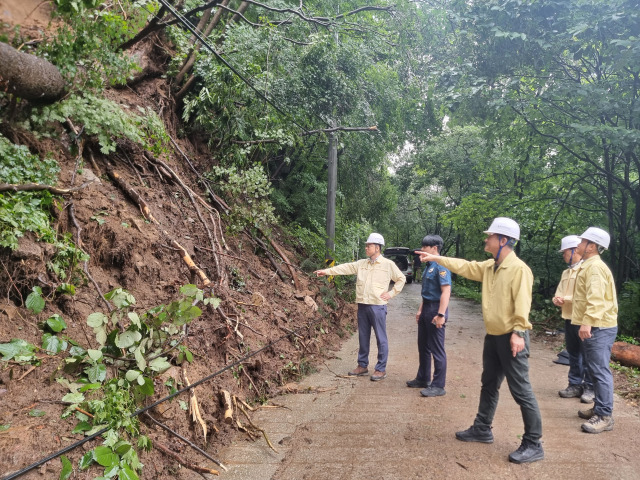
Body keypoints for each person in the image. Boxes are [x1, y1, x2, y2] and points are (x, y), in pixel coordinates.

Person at [416, 217, 543, 464]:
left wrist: (518, 332)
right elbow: (465, 266)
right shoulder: (490, 266)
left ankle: (533, 442)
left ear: (503, 240)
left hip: (511, 337)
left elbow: (523, 302)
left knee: (521, 391)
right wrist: (437, 258)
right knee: (489, 384)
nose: (486, 239)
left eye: (490, 236)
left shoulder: (518, 269)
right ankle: (482, 428)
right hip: (494, 336)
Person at [314, 233, 406, 381]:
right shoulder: (362, 263)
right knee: (363, 336)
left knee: (381, 338)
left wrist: (391, 293)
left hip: (378, 306)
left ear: (377, 247)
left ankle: (380, 369)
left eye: (368, 246)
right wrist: (326, 271)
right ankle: (362, 366)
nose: (366, 248)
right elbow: (346, 268)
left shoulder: (388, 265)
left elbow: (401, 278)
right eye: (366, 245)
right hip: (363, 305)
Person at [571, 227, 618, 434]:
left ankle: (605, 416)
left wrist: (587, 322)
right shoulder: (588, 265)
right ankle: (599, 408)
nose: (578, 244)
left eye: (582, 241)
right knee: (594, 369)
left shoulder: (595, 268)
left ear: (591, 246)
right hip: (597, 325)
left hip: (600, 327)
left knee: (599, 371)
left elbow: (596, 298)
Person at [407, 235, 451, 398]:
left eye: (425, 247)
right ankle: (423, 378)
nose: (422, 250)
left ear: (434, 248)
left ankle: (438, 385)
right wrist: (420, 309)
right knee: (423, 346)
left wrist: (441, 314)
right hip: (426, 307)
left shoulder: (441, 265)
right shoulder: (429, 266)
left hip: (436, 309)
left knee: (437, 349)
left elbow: (446, 291)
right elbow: (426, 292)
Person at [553, 235, 594, 403]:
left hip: (584, 318)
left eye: (564, 252)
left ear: (573, 250)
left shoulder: (586, 270)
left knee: (588, 355)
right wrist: (557, 299)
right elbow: (559, 291)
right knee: (573, 353)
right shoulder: (566, 272)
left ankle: (590, 387)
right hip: (569, 317)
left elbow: (587, 296)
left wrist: (567, 299)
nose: (563, 255)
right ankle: (575, 384)